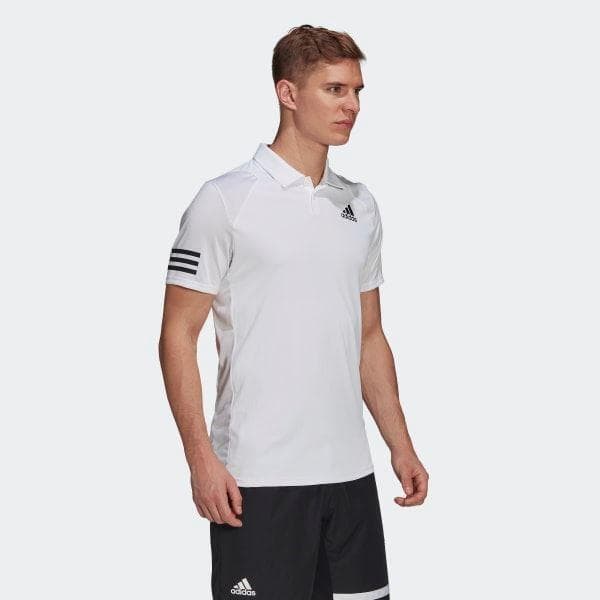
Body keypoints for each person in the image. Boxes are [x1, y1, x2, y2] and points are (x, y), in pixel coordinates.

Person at [159, 24, 428, 600]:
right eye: (334, 89)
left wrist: (400, 445)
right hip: (259, 479)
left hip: (350, 477)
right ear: (288, 93)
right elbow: (178, 334)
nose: (352, 105)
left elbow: (370, 336)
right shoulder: (224, 200)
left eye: (356, 91)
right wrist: (200, 459)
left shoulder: (359, 204)